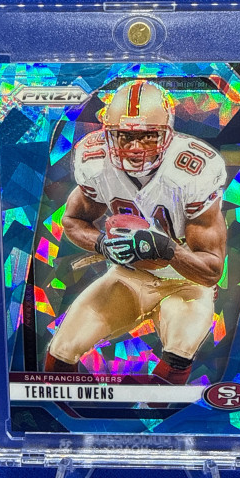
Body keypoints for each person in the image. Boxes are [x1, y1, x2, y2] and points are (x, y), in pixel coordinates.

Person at [44, 79, 227, 384]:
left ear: (167, 133)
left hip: (186, 282)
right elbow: (73, 221)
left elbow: (211, 270)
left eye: (148, 136)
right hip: (129, 274)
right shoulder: (95, 160)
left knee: (180, 348)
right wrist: (102, 244)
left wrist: (166, 248)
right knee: (62, 349)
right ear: (109, 133)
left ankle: (162, 413)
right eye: (125, 136)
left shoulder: (193, 170)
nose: (135, 148)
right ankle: (54, 410)